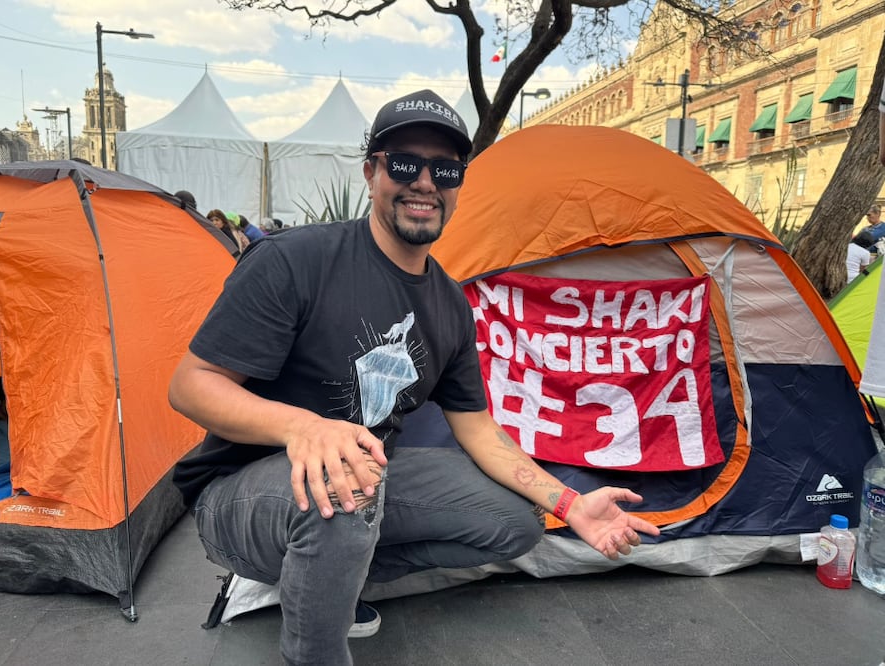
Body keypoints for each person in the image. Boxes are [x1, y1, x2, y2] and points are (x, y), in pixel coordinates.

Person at [168, 89, 660, 666]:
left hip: (365, 482)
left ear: (458, 186)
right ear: (371, 172)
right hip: (237, 497)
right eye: (404, 164)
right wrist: (303, 428)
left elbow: (478, 429)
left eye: (445, 170)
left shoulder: (449, 305)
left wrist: (569, 503)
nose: (425, 182)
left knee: (517, 522)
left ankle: (331, 578)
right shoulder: (295, 260)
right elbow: (190, 384)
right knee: (345, 483)